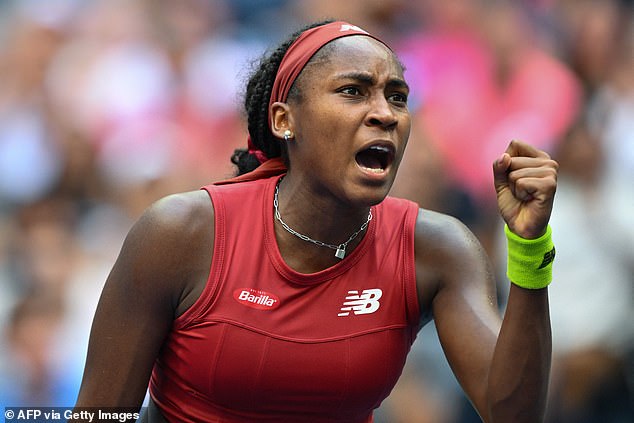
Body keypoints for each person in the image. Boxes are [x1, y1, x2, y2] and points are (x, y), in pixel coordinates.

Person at [74, 20, 558, 423]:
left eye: (397, 97)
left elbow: (511, 412)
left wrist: (530, 248)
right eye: (353, 91)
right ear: (286, 120)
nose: (384, 114)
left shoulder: (436, 249)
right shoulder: (181, 233)